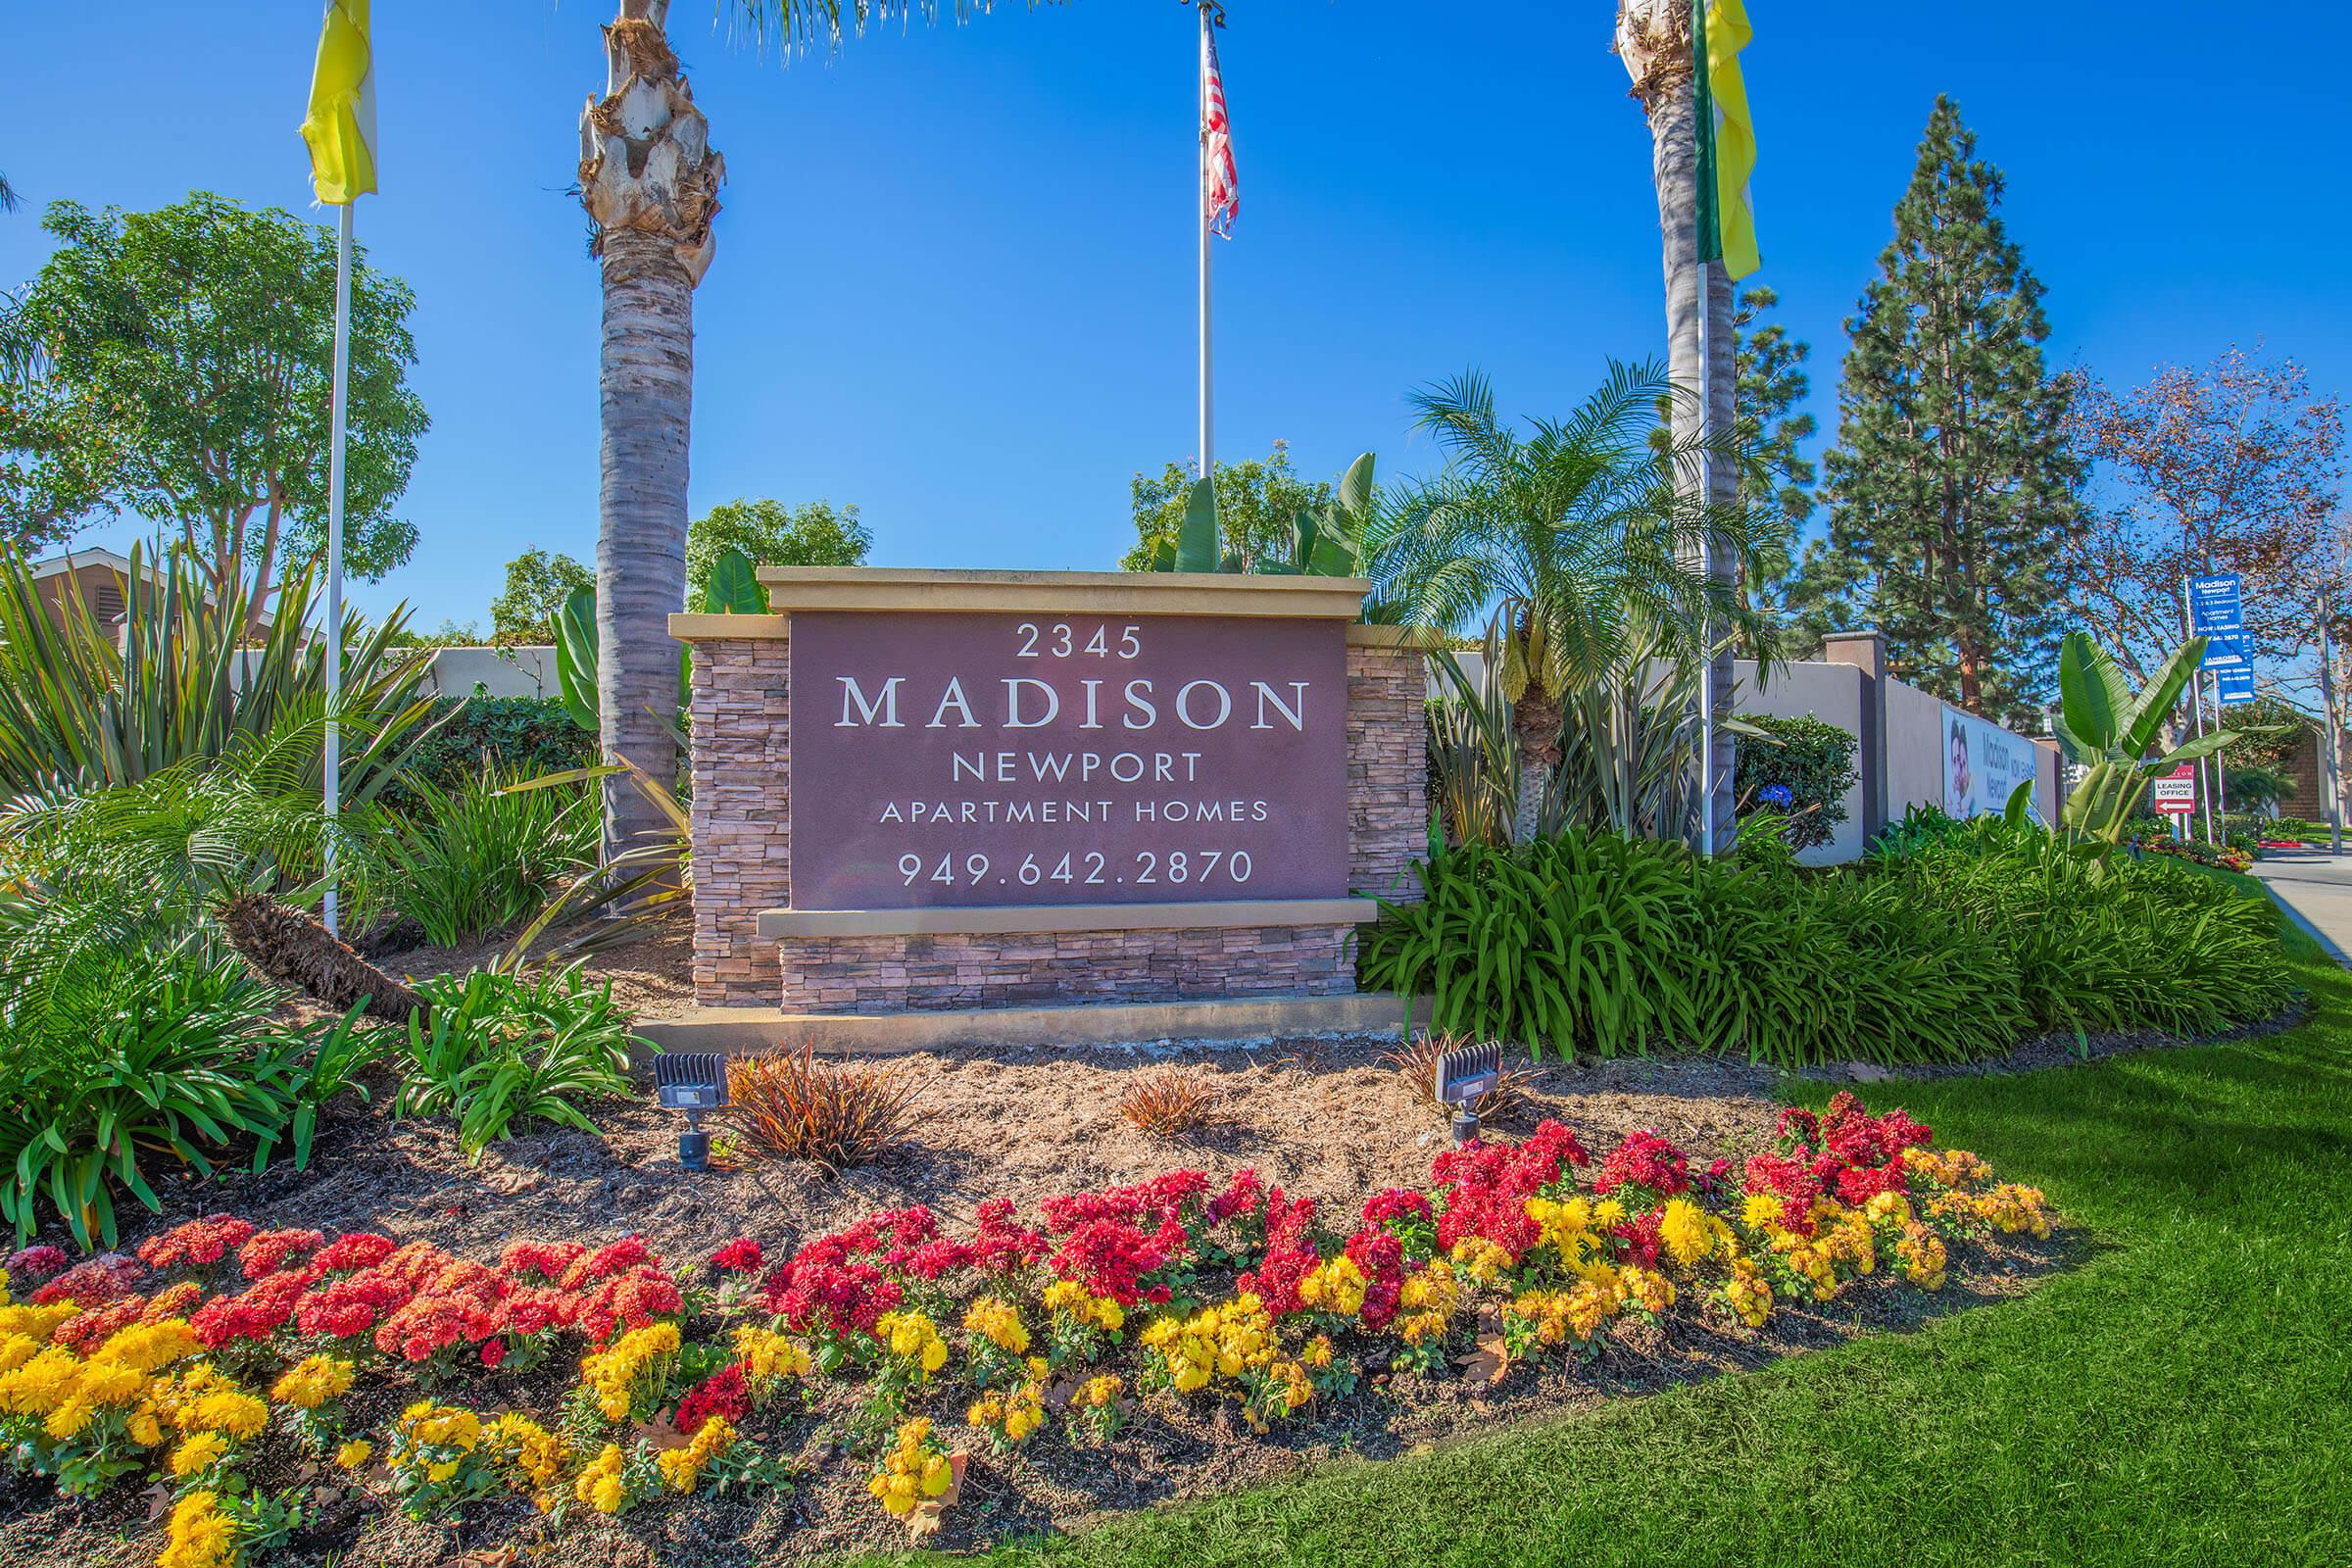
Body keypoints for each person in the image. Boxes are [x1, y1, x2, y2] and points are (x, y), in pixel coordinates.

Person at [1948, 721, 1974, 815]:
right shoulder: (1950, 798)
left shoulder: (1971, 802)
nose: (1958, 771)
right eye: (1955, 761)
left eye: (1963, 764)